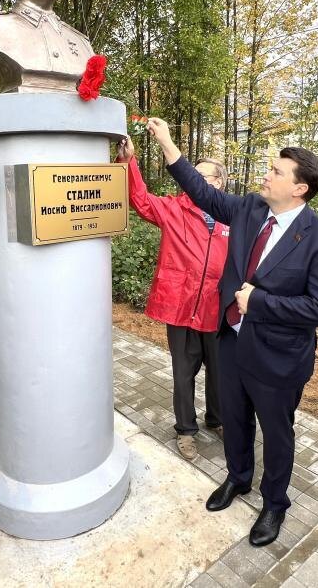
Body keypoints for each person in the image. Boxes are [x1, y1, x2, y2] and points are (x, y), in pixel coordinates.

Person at [146, 117, 318, 546]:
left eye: (276, 171)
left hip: (278, 357)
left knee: (276, 433)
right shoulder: (251, 209)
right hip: (233, 342)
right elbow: (201, 191)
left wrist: (260, 302)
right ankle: (238, 478)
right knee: (235, 420)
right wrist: (167, 143)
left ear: (299, 188)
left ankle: (274, 503)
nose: (266, 175)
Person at [116, 135, 229, 460]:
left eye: (201, 175)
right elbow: (139, 199)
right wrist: (128, 162)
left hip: (218, 308)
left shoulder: (233, 214)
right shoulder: (174, 208)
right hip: (181, 307)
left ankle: (217, 420)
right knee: (183, 372)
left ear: (218, 182)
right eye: (192, 173)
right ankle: (186, 430)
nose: (192, 179)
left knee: (220, 372)